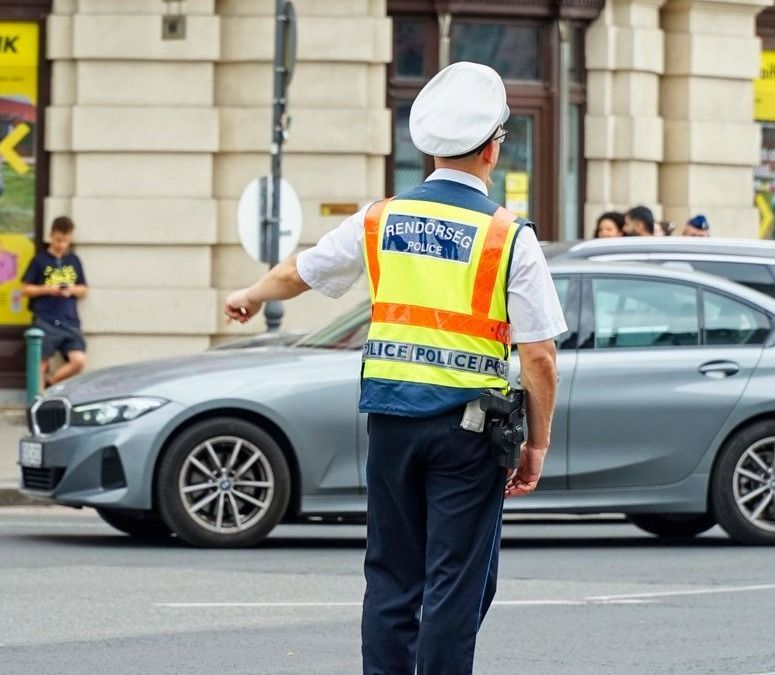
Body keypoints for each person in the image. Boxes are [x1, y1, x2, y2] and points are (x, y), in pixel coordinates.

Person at [223, 62, 564, 675]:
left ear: (430, 149)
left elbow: (302, 270)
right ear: (493, 149)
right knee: (457, 584)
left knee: (391, 577)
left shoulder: (381, 218)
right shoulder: (507, 235)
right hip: (468, 433)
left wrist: (251, 295)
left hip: (390, 422)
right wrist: (537, 444)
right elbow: (538, 355)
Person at [22, 217, 89, 387]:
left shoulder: (74, 260)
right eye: (58, 240)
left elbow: (84, 289)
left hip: (69, 320)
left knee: (78, 360)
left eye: (66, 241)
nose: (61, 245)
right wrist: (47, 289)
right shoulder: (39, 260)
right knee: (41, 363)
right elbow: (25, 289)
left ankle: (50, 383)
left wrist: (71, 290)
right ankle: (37, 398)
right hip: (45, 318)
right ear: (51, 236)